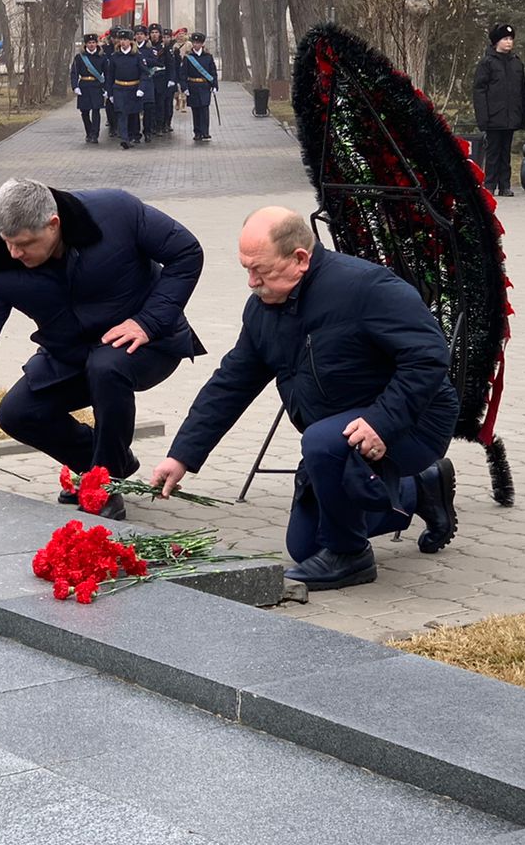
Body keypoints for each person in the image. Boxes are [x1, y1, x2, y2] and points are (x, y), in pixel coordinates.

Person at [151, 208, 459, 591]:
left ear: (300, 258)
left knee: (322, 446)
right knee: (305, 546)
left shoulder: (365, 287)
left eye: (260, 270)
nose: (252, 282)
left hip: (412, 420)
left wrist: (382, 421)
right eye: (246, 269)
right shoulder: (264, 308)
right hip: (340, 432)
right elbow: (232, 382)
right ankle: (420, 491)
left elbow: (429, 355)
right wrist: (182, 455)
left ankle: (351, 557)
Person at [0, 178, 206, 519]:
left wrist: (148, 321)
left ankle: (106, 486)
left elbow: (186, 253)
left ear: (53, 224)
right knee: (17, 412)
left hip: (152, 344)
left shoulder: (115, 212)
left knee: (107, 366)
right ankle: (106, 462)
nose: (14, 253)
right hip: (72, 353)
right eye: (7, 241)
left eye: (25, 244)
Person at [472, 23, 525, 197]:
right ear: (496, 42)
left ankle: (505, 185)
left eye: (511, 39)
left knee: (506, 153)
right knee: (493, 152)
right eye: (505, 39)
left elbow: (522, 90)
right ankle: (489, 184)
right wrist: (483, 117)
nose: (509, 42)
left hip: (510, 116)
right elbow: (479, 91)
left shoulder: (516, 62)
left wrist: (522, 114)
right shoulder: (487, 63)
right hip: (493, 116)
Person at [104, 28, 148, 149]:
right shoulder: (114, 57)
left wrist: (141, 88)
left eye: (126, 40)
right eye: (121, 40)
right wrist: (110, 93)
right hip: (119, 89)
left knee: (133, 114)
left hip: (133, 89)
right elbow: (110, 76)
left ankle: (133, 135)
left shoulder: (137, 56)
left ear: (130, 41)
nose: (123, 42)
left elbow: (144, 73)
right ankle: (124, 138)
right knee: (121, 113)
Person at [70, 32, 106, 144]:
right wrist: (75, 86)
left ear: (96, 43)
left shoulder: (101, 57)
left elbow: (107, 73)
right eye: (89, 43)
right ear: (85, 44)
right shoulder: (79, 58)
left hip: (96, 86)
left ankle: (95, 134)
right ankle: (89, 131)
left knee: (96, 110)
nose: (91, 45)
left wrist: (106, 89)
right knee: (84, 111)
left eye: (93, 42)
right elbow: (74, 73)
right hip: (84, 86)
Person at [182, 31, 218, 140]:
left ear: (202, 44)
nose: (196, 45)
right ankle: (197, 132)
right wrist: (184, 88)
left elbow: (213, 72)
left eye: (198, 43)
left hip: (204, 86)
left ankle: (205, 131)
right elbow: (183, 74)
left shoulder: (208, 57)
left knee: (204, 109)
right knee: (195, 110)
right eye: (194, 42)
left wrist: (214, 85)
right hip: (192, 85)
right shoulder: (188, 57)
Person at [147, 23, 178, 135]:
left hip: (161, 79)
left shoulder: (165, 48)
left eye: (156, 33)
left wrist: (171, 79)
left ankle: (160, 126)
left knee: (161, 104)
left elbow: (171, 65)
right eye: (152, 33)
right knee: (150, 105)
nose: (154, 35)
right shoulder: (147, 46)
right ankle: (151, 125)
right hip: (150, 79)